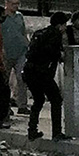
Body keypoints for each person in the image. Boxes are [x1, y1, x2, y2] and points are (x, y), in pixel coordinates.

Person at [22, 11, 69, 141]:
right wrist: (61, 55)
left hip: (29, 71)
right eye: (64, 25)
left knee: (38, 100)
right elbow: (53, 53)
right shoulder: (55, 35)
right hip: (42, 73)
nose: (65, 28)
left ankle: (32, 130)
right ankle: (56, 132)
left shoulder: (40, 33)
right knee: (56, 99)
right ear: (59, 25)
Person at [1, 0, 30, 111]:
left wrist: (28, 46)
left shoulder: (19, 16)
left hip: (20, 51)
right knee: (4, 80)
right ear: (7, 4)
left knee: (22, 78)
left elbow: (23, 32)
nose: (16, 6)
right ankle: (5, 106)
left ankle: (22, 105)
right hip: (6, 53)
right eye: (13, 4)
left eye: (17, 4)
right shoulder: (2, 17)